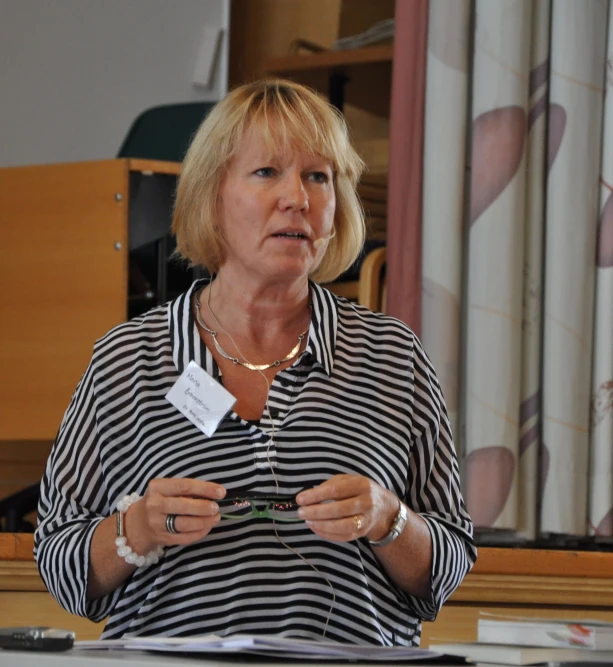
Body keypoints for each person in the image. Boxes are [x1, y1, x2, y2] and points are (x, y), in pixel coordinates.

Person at [35, 79, 476, 646]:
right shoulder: (127, 360)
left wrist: (389, 519)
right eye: (267, 172)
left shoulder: (392, 355)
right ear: (212, 196)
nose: (298, 197)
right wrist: (138, 527)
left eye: (318, 176)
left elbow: (448, 566)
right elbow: (59, 563)